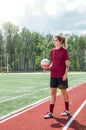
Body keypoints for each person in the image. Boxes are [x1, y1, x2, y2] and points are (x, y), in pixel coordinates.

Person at [44, 35, 70, 119]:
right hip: (53, 75)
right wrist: (49, 66)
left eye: (55, 40)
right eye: (54, 40)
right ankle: (51, 112)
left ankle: (67, 110)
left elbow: (67, 65)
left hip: (61, 75)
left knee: (64, 92)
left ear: (60, 42)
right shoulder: (52, 51)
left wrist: (65, 74)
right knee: (53, 93)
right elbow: (53, 62)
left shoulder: (64, 51)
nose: (54, 42)